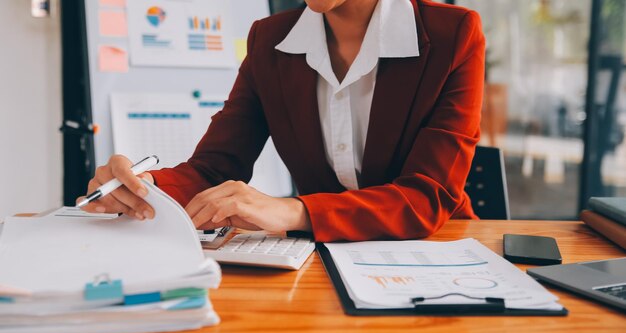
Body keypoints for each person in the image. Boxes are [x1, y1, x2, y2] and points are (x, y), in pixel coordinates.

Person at [80, 0, 485, 242]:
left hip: (436, 251)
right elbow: (214, 168)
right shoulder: (269, 40)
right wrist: (144, 187)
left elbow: (427, 195)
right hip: (321, 257)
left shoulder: (453, 35)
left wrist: (295, 212)